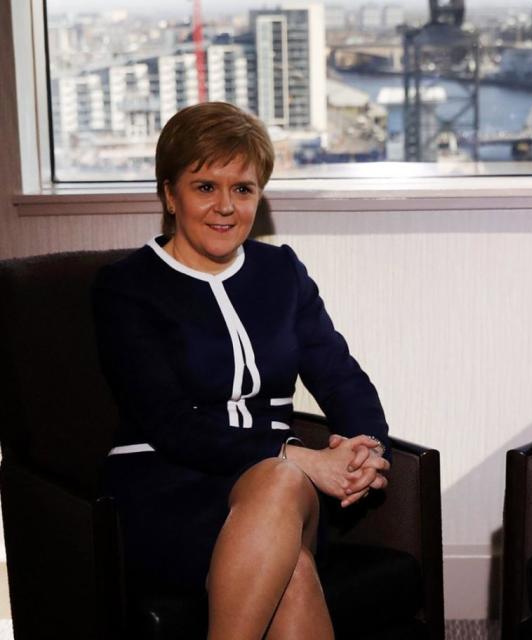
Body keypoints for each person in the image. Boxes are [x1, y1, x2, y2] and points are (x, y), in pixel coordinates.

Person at [93, 101, 390, 640]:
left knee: (280, 482)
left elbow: (340, 375)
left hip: (279, 488)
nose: (225, 207)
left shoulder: (282, 272)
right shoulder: (126, 286)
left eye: (244, 189)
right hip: (165, 489)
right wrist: (297, 456)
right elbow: (167, 422)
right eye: (205, 186)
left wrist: (366, 448)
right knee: (291, 566)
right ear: (169, 194)